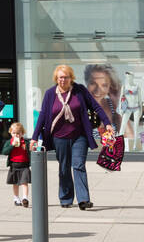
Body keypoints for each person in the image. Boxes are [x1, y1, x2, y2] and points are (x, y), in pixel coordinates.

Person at [33, 64, 112, 210]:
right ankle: (66, 198)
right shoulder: (50, 93)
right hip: (59, 137)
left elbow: (96, 106)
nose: (63, 80)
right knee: (64, 168)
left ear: (71, 78)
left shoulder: (79, 90)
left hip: (79, 136)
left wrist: (106, 123)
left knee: (78, 165)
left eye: (66, 77)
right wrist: (34, 137)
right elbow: (43, 115)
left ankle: (83, 199)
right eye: (60, 77)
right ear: (56, 78)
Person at [6, 122, 31, 207]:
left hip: (24, 166)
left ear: (22, 133)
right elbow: (4, 152)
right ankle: (16, 198)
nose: (16, 135)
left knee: (25, 182)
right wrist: (12, 146)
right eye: (14, 133)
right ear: (10, 133)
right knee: (15, 183)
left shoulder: (26, 142)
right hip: (14, 165)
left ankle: (25, 198)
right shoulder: (9, 142)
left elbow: (30, 152)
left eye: (18, 133)